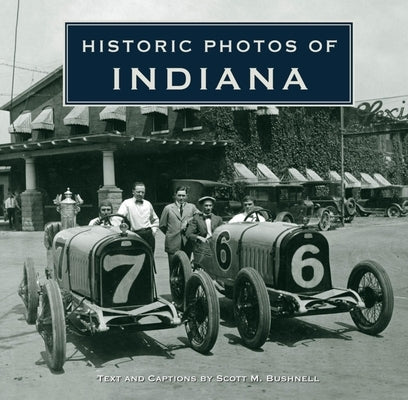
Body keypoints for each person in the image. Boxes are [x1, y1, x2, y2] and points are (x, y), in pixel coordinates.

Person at [159, 186, 199, 271]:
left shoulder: (192, 207)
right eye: (179, 195)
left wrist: (188, 221)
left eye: (183, 196)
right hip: (172, 243)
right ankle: (173, 284)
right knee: (173, 269)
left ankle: (185, 284)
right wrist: (171, 234)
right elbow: (162, 225)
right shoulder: (168, 208)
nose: (181, 198)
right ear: (175, 195)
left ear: (187, 196)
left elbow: (200, 217)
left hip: (187, 243)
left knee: (186, 269)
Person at [117, 182, 159, 251]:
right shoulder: (127, 203)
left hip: (148, 235)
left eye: (143, 192)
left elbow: (155, 219)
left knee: (150, 258)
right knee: (137, 258)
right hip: (135, 235)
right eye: (138, 192)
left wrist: (153, 231)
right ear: (133, 192)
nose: (140, 194)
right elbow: (118, 218)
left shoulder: (148, 204)